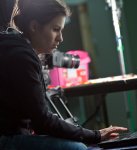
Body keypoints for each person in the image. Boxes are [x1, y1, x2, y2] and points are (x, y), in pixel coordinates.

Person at [0, 0, 127, 150]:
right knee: (79, 148)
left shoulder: (15, 47)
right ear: (34, 26)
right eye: (55, 29)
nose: (60, 38)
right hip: (7, 140)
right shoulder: (22, 57)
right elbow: (43, 122)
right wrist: (95, 135)